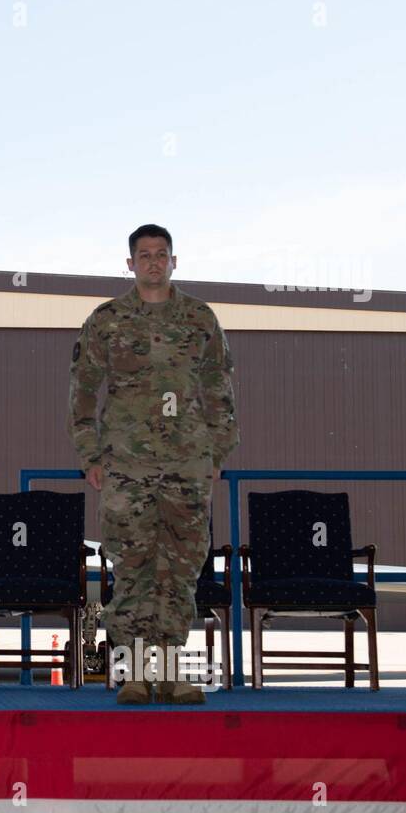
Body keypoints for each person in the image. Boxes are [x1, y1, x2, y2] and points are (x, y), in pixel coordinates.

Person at [68, 224, 238, 705]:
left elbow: (219, 390)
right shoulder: (107, 320)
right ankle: (135, 672)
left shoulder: (199, 319)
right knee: (133, 568)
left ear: (174, 261)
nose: (153, 262)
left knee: (181, 570)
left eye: (161, 254)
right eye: (144, 255)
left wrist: (217, 452)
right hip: (127, 464)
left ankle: (171, 670)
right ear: (130, 264)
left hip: (188, 462)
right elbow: (82, 391)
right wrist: (90, 454)